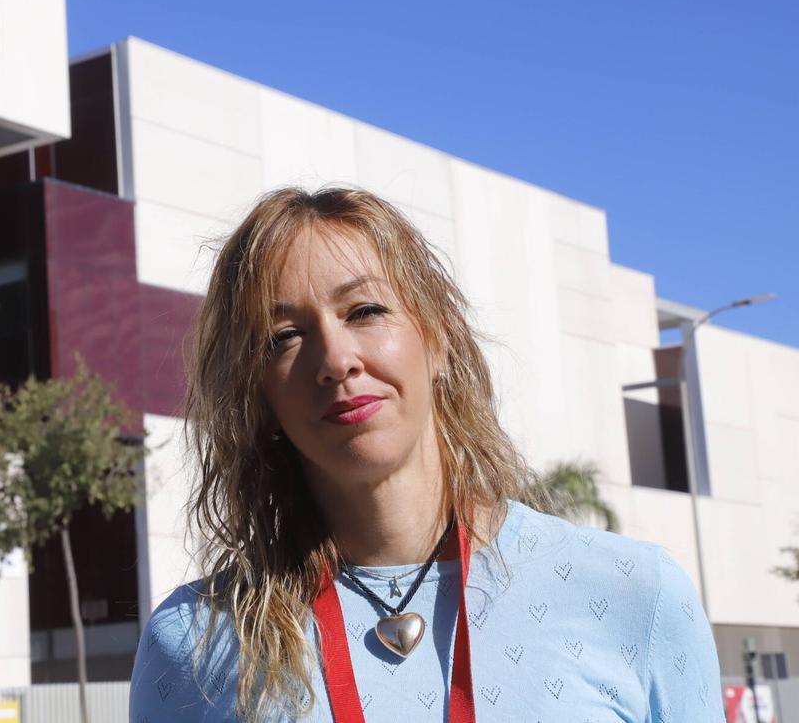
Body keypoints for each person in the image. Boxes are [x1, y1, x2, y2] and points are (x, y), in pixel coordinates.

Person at [129, 187, 723, 722]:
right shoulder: (192, 642)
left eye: (365, 311)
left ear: (437, 339)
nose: (336, 360)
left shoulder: (634, 594)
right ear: (257, 391)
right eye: (283, 335)